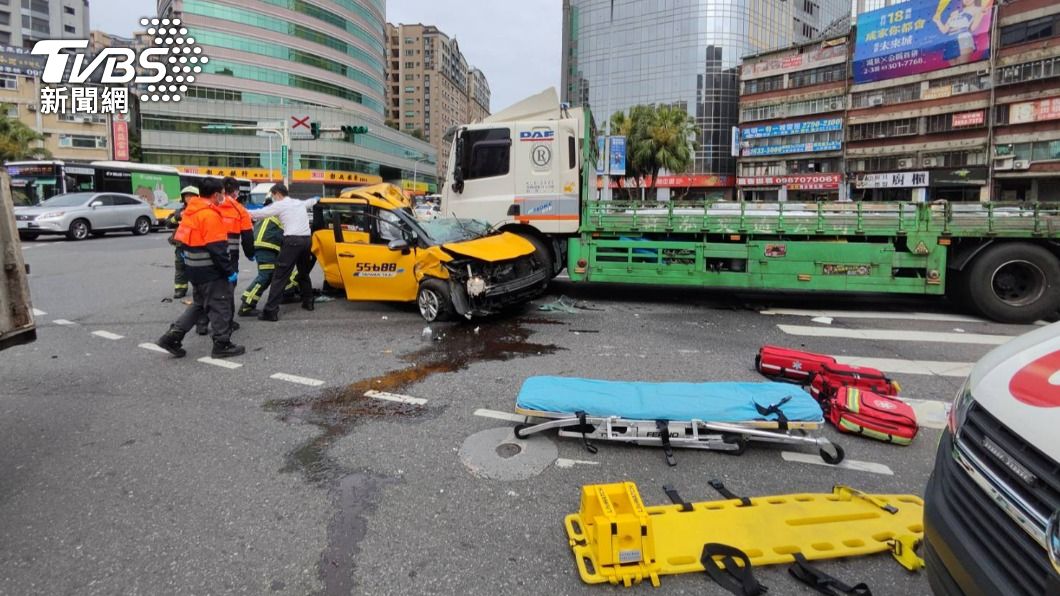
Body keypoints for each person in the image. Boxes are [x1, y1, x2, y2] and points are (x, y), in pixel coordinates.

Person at [157, 178, 245, 359]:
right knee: (220, 304)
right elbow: (218, 249)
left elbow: (179, 240)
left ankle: (172, 336)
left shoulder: (190, 212)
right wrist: (229, 272)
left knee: (199, 305)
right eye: (222, 193)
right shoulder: (210, 215)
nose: (224, 197)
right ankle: (222, 344)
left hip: (193, 268)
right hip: (210, 271)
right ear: (216, 194)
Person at [249, 184, 317, 321]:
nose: (273, 198)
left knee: (279, 277)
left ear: (277, 194)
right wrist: (317, 198)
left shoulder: (280, 204)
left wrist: (238, 210)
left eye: (273, 196)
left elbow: (259, 214)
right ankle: (308, 302)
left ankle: (270, 311)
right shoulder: (299, 202)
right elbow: (312, 201)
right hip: (306, 241)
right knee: (303, 272)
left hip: (292, 242)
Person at [238, 213, 302, 316]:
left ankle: (287, 294)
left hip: (266, 247)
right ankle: (247, 305)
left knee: (279, 272)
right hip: (267, 248)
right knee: (266, 276)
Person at [169, 186, 198, 299]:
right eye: (187, 196)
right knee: (180, 266)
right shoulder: (180, 211)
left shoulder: (201, 210)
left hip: (195, 244)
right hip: (181, 244)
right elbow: (168, 222)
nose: (189, 198)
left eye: (191, 196)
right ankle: (180, 289)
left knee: (196, 267)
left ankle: (199, 288)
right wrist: (177, 217)